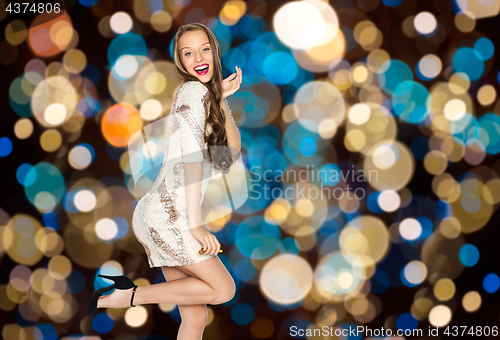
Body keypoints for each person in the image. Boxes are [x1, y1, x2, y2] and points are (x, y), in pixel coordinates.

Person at [87, 23, 242, 340]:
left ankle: (123, 295)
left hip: (161, 215)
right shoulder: (192, 92)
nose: (198, 57)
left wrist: (221, 98)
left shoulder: (202, 97)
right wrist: (195, 226)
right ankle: (127, 297)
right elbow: (191, 161)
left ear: (214, 51)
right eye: (188, 52)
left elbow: (229, 155)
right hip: (170, 217)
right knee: (223, 289)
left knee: (195, 318)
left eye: (204, 48)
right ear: (181, 61)